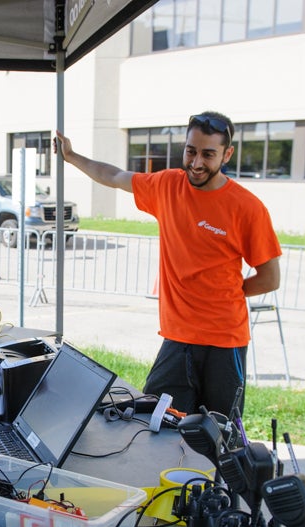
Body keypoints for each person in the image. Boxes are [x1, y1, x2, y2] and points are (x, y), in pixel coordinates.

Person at [56, 111, 281, 416]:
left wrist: (222, 292)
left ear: (227, 155)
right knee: (156, 424)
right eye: (191, 151)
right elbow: (113, 176)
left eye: (208, 154)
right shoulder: (167, 186)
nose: (197, 162)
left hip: (224, 342)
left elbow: (269, 278)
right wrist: (71, 156)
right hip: (178, 337)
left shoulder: (248, 208)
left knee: (219, 434)